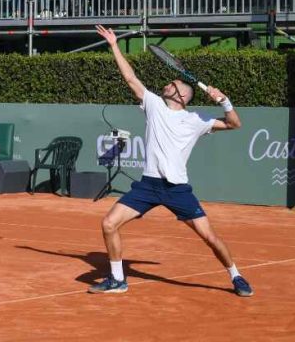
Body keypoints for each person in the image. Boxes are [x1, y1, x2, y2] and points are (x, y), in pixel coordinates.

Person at [88, 25, 254, 298]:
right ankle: (118, 279)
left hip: (177, 189)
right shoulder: (154, 105)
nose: (166, 85)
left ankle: (236, 275)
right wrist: (114, 45)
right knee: (108, 224)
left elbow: (235, 124)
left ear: (182, 96)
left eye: (172, 84)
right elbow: (130, 78)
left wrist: (224, 101)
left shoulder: (196, 120)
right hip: (148, 185)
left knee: (209, 238)